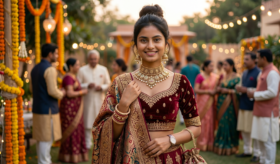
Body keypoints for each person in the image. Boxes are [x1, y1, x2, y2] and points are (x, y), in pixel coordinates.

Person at [92, 5, 201, 164]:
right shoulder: (121, 83)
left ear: (166, 44)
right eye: (143, 40)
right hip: (130, 159)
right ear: (135, 45)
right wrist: (123, 106)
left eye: (156, 39)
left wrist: (170, 139)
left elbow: (195, 127)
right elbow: (107, 134)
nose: (150, 46)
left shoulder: (180, 82)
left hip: (170, 158)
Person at [30, 43, 65, 164]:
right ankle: (45, 162)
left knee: (41, 138)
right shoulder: (50, 69)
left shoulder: (35, 68)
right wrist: (62, 93)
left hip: (38, 108)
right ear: (50, 54)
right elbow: (52, 91)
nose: (57, 56)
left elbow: (31, 89)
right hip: (48, 109)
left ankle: (43, 161)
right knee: (47, 139)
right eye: (55, 53)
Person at [247, 49, 280, 164]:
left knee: (268, 141)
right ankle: (263, 161)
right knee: (260, 139)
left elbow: (272, 92)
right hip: (259, 111)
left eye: (258, 58)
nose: (256, 60)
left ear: (264, 59)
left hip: (268, 112)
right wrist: (251, 92)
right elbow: (261, 90)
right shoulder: (262, 72)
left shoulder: (273, 72)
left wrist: (254, 94)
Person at [77, 50, 111, 150]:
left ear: (98, 59)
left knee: (100, 121)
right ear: (88, 59)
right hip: (87, 99)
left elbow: (108, 84)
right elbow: (78, 84)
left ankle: (99, 142)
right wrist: (87, 85)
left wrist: (101, 87)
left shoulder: (103, 69)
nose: (93, 61)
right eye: (91, 59)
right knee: (87, 121)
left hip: (99, 99)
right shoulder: (82, 70)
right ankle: (88, 143)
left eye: (95, 59)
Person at [58, 58, 89, 163]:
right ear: (71, 66)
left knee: (77, 129)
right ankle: (68, 156)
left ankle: (77, 155)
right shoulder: (68, 78)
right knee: (71, 130)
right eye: (77, 65)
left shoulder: (73, 77)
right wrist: (82, 92)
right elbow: (69, 93)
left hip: (76, 108)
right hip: (69, 109)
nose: (78, 67)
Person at [235, 53, 261, 162]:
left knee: (254, 131)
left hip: (253, 106)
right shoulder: (244, 73)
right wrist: (238, 88)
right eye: (244, 59)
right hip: (243, 104)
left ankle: (257, 153)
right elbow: (242, 87)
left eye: (247, 59)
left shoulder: (259, 73)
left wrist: (246, 89)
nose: (244, 61)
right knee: (244, 130)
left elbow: (260, 90)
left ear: (254, 60)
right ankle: (247, 151)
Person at [213, 58, 240, 156]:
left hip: (230, 105)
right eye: (223, 65)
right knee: (221, 123)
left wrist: (228, 91)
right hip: (220, 102)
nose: (224, 67)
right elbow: (217, 88)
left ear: (232, 66)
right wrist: (219, 89)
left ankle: (230, 146)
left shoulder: (237, 77)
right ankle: (220, 145)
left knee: (229, 123)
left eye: (226, 65)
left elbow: (239, 92)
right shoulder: (222, 76)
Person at [194, 60, 218, 151]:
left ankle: (210, 142)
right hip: (202, 103)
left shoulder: (215, 77)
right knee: (203, 121)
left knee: (210, 121)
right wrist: (208, 92)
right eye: (211, 66)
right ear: (205, 67)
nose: (212, 68)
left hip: (211, 103)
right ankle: (202, 143)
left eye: (213, 66)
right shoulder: (200, 76)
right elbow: (196, 90)